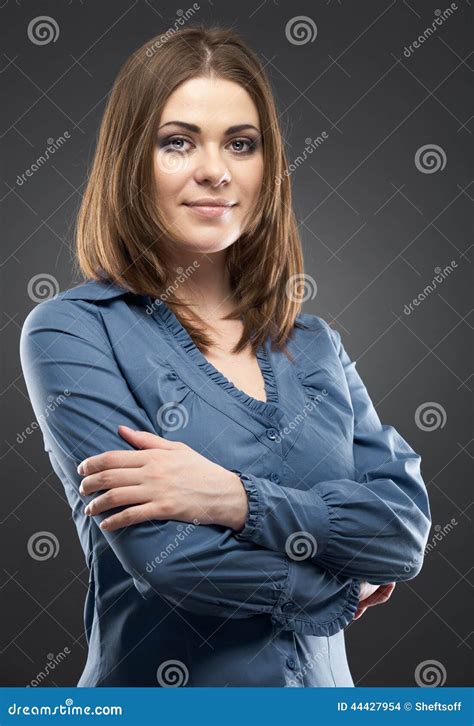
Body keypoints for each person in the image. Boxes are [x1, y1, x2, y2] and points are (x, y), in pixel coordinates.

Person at [19, 25, 431, 687]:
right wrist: (341, 588)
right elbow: (171, 561)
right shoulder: (73, 332)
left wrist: (236, 500)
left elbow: (403, 531)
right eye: (178, 142)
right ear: (131, 160)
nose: (215, 169)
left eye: (241, 144)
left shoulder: (316, 344)